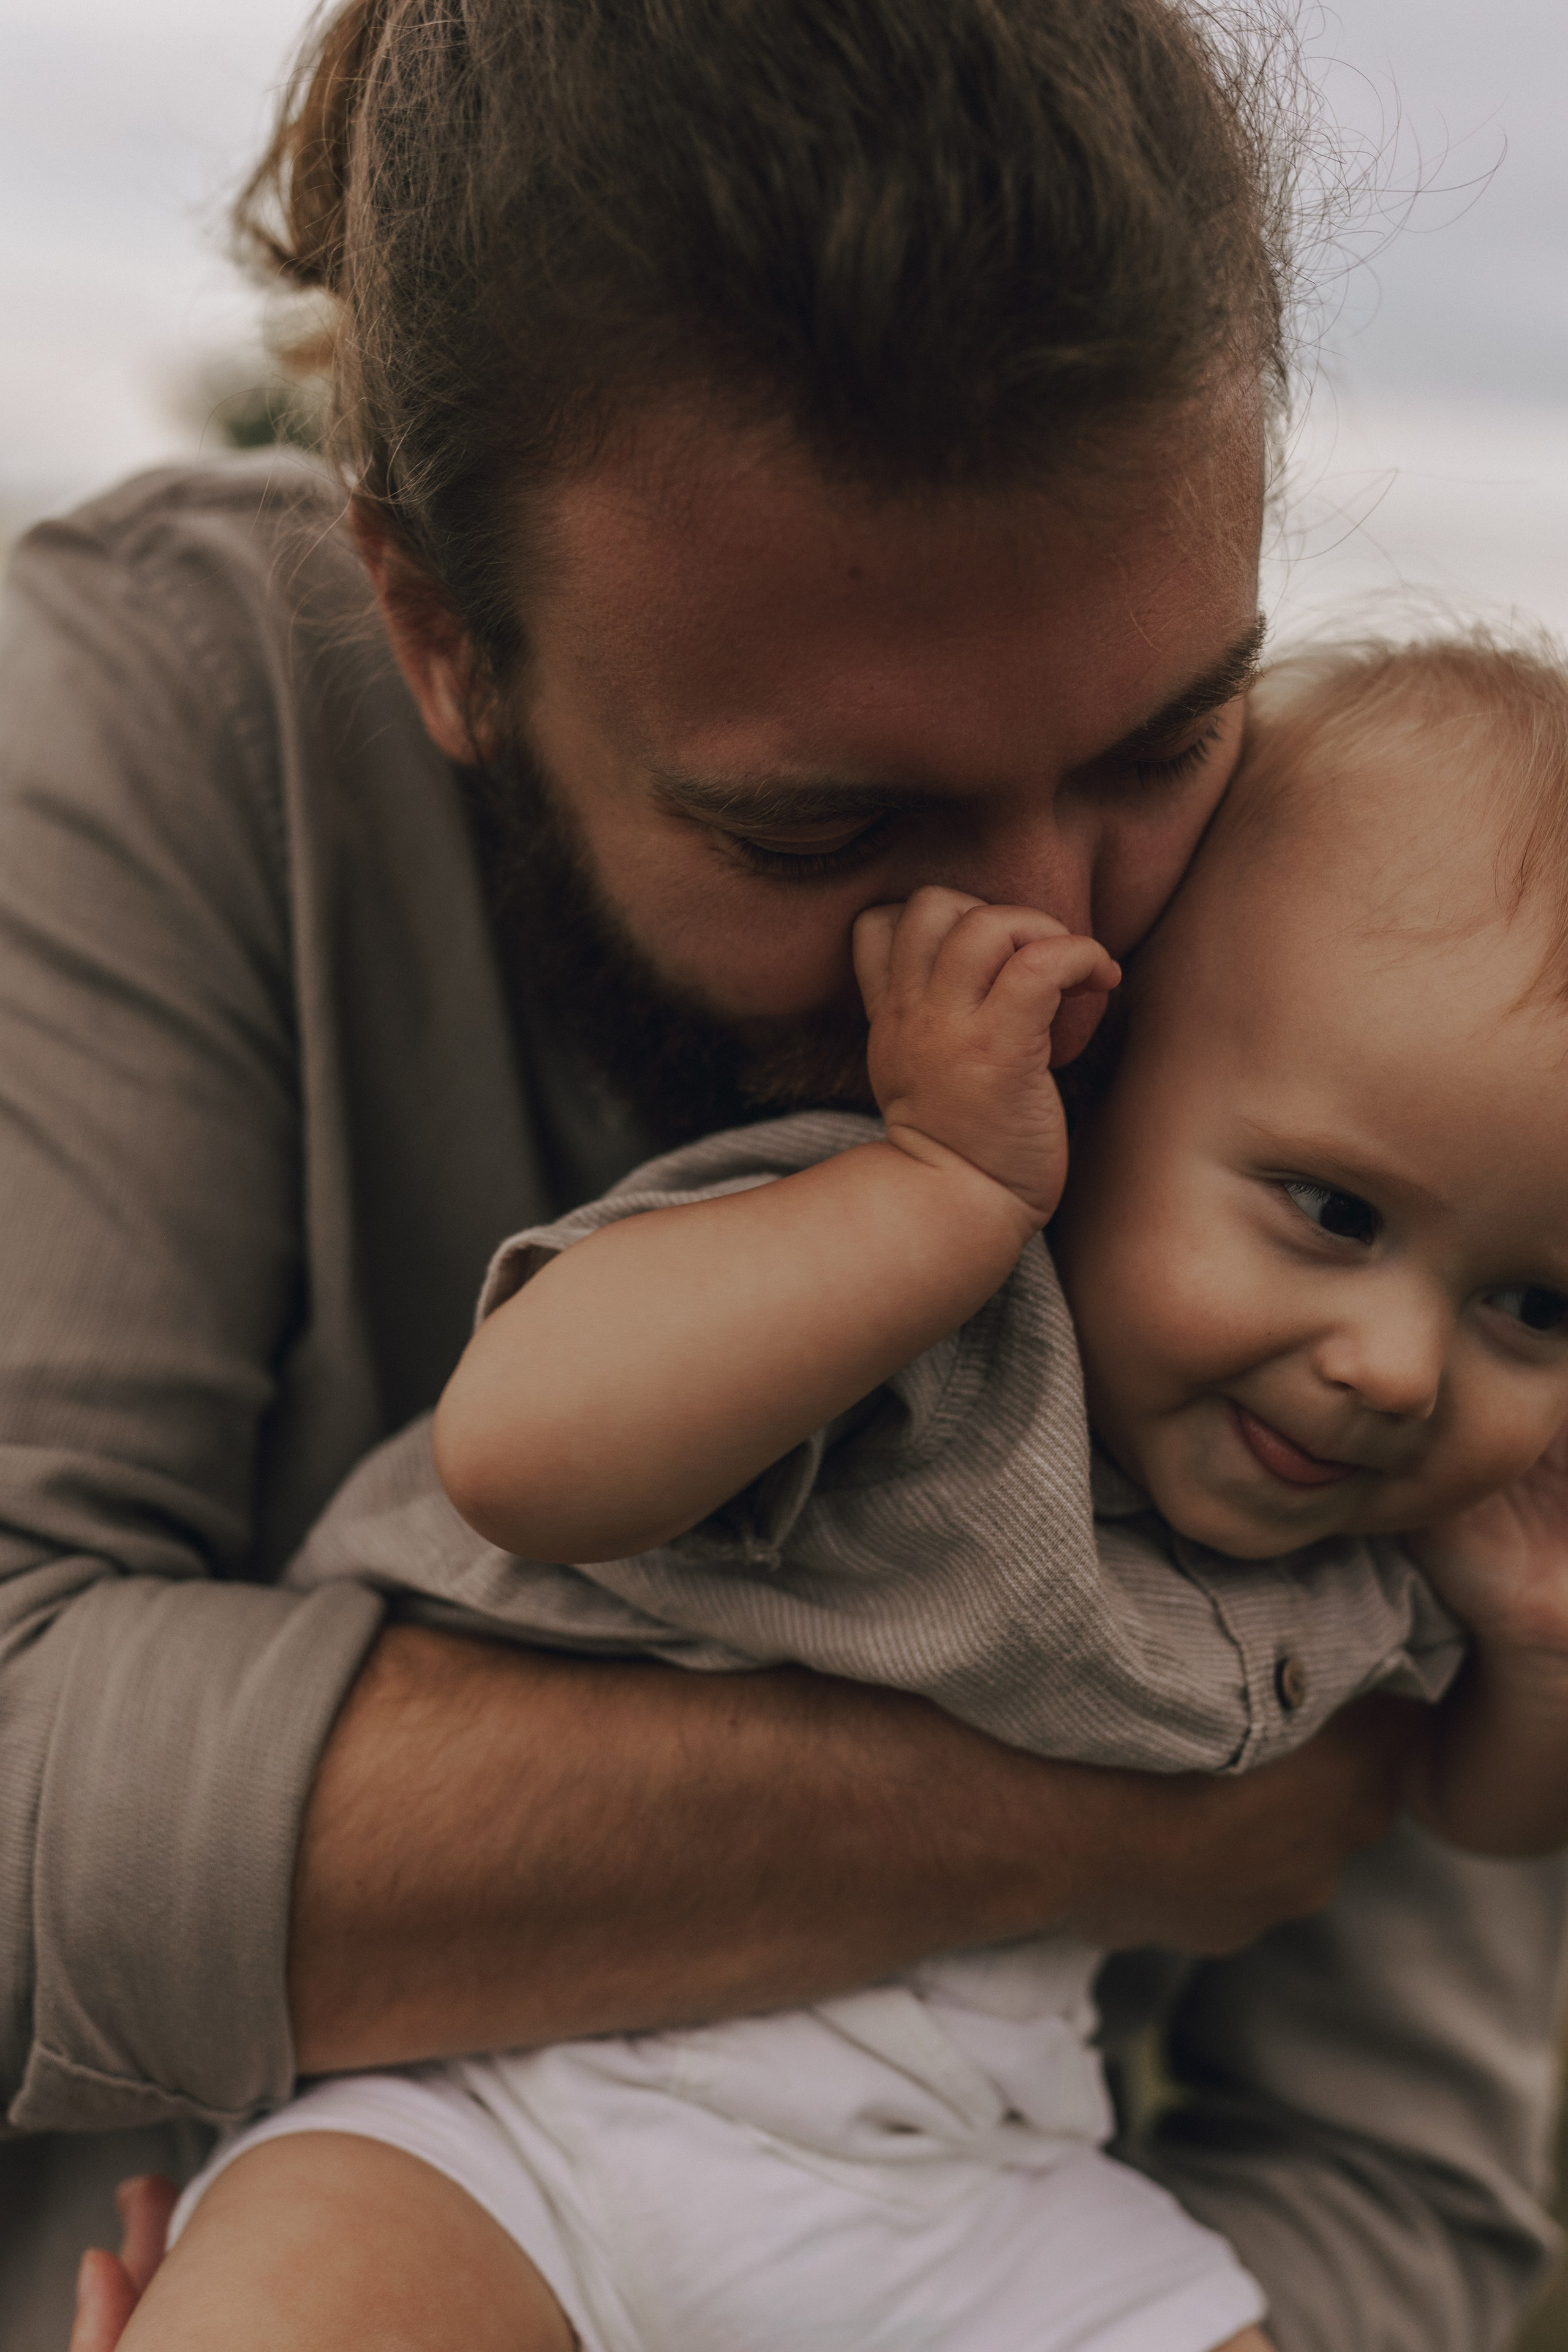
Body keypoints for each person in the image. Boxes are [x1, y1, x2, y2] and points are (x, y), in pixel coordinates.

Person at [3, 1, 1559, 2343]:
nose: (1064, 929)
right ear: (439, 627)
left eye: (1165, 741)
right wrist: (1139, 1815)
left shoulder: (1322, 940)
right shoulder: (136, 726)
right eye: (822, 826)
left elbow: (1395, 2188)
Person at [113, 637, 1568, 2352]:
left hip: (979, 2198)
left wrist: (1536, 1653)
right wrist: (939, 1195)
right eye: (1331, 1211)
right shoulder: (916, 1289)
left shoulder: (1372, 1524)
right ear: (1093, 1081)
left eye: (1535, 1305)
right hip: (501, 2118)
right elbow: (518, 1454)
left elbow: (1464, 1815)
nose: (1399, 1365)